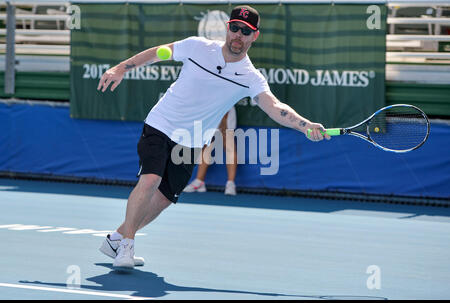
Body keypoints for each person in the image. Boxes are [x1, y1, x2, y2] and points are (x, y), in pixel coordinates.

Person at [97, 5, 330, 269]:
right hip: (161, 124)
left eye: (245, 31)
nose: (237, 35)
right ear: (227, 28)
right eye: (234, 28)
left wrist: (304, 124)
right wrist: (122, 67)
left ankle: (116, 239)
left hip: (191, 141)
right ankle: (126, 246)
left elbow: (275, 107)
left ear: (255, 36)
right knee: (151, 179)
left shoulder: (250, 77)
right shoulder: (197, 47)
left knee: (163, 199)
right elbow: (158, 53)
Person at [183, 106, 238, 195]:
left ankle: (230, 184)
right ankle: (199, 182)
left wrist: (224, 117)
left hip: (225, 108)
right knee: (206, 145)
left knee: (228, 144)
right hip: (209, 109)